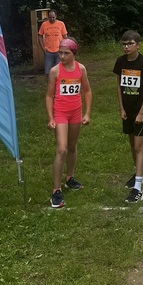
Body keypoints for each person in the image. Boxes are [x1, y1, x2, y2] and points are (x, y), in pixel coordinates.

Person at [45, 36, 92, 208]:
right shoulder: (55, 71)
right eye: (60, 53)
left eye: (66, 53)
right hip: (60, 113)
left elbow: (87, 91)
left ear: (74, 54)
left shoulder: (81, 69)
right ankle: (56, 190)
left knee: (72, 147)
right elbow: (49, 96)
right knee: (62, 149)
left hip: (75, 113)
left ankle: (70, 177)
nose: (62, 56)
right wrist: (51, 118)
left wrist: (87, 113)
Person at [113, 30, 143, 204]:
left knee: (138, 146)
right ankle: (139, 173)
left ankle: (138, 188)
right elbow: (118, 85)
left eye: (130, 43)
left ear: (138, 45)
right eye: (124, 44)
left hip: (139, 110)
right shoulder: (120, 62)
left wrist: (142, 112)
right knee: (132, 143)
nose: (126, 47)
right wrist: (121, 108)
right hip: (127, 110)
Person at [39, 9, 68, 74]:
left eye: (53, 17)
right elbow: (40, 36)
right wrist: (43, 48)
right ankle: (49, 80)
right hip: (48, 51)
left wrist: (65, 48)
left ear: (56, 16)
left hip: (59, 51)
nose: (52, 19)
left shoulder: (61, 24)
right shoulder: (44, 24)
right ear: (48, 17)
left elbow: (65, 37)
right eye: (50, 17)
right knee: (48, 72)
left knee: (59, 71)